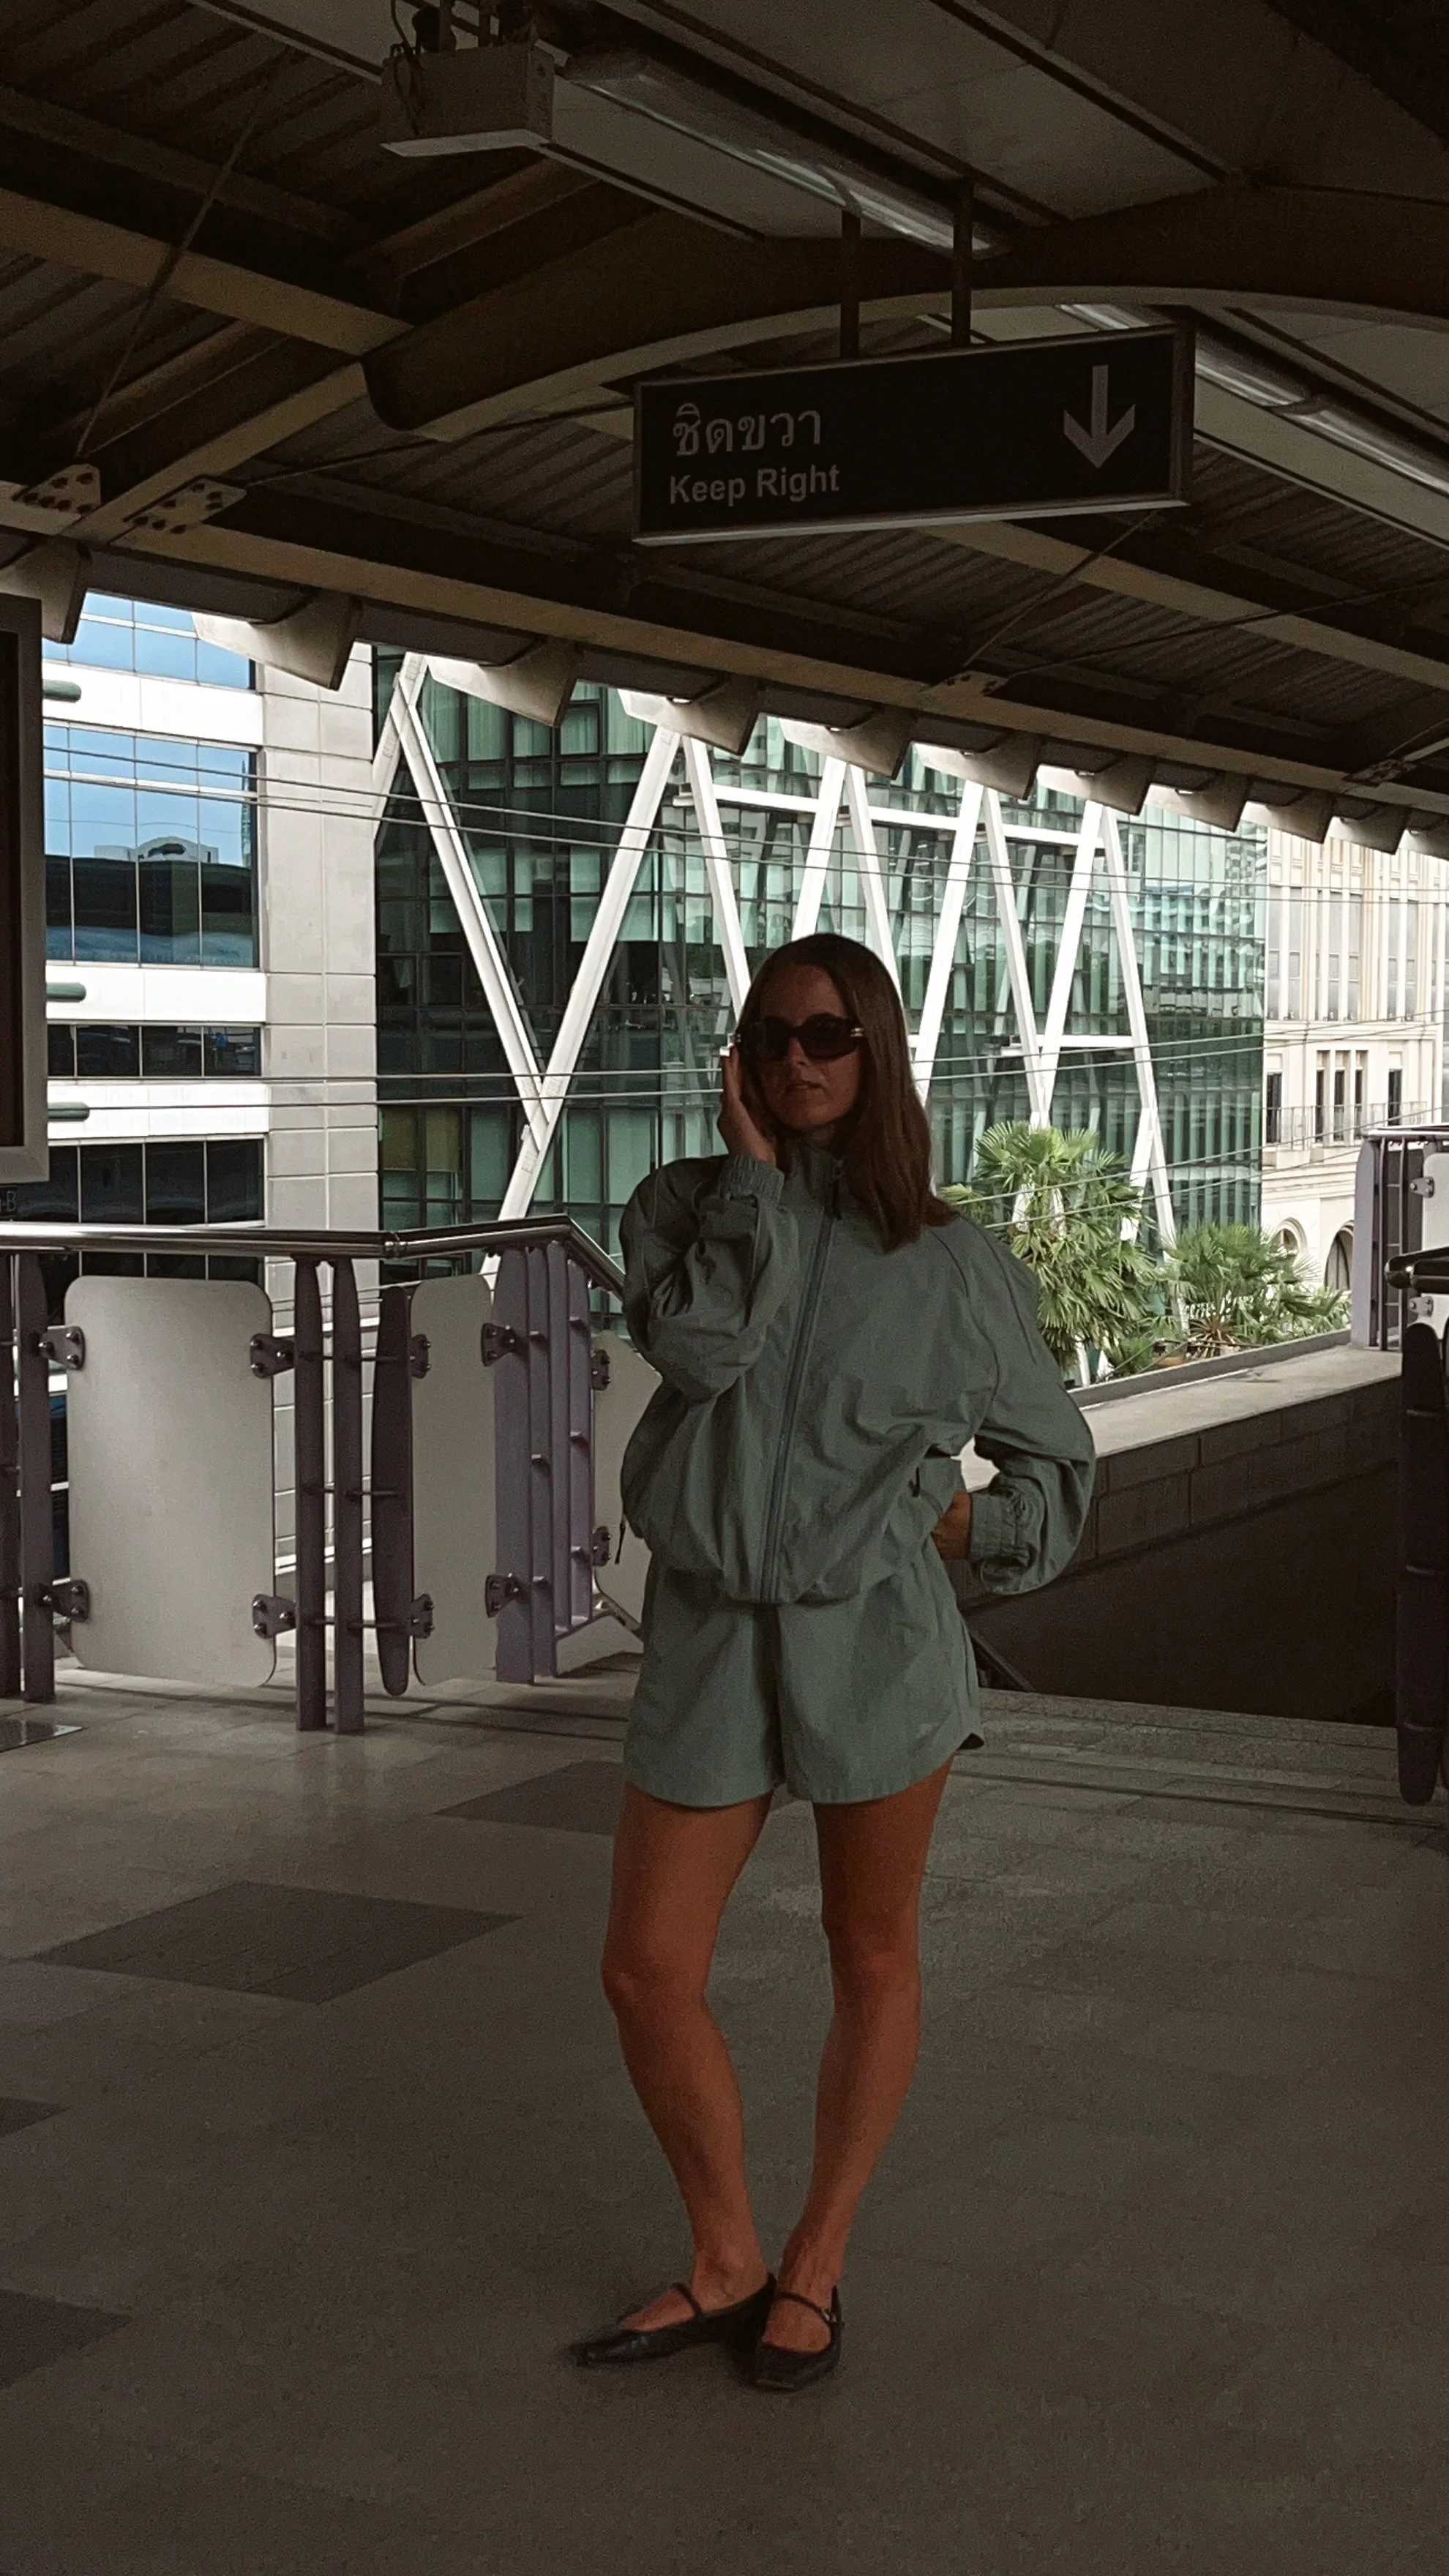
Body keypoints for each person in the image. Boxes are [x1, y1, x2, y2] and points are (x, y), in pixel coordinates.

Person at [570, 932, 1096, 2391]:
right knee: (643, 1966)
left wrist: (961, 1525)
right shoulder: (683, 1206)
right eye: (773, 1033)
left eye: (829, 1035)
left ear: (875, 1055)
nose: (799, 1058)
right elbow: (699, 1352)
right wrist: (747, 1187)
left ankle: (815, 2258)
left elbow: (1059, 1464)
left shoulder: (949, 1258)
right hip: (709, 1627)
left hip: (876, 1636)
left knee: (869, 1950)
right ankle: (724, 2250)